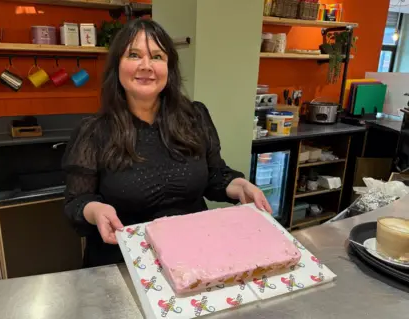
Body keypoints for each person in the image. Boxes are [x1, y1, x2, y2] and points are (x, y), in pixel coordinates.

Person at [63, 18, 272, 268]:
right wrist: (95, 210)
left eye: (157, 57)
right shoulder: (93, 131)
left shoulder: (194, 117)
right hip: (124, 262)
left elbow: (215, 176)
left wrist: (240, 186)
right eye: (134, 55)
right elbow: (76, 202)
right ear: (117, 66)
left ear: (169, 68)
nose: (146, 66)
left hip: (194, 258)